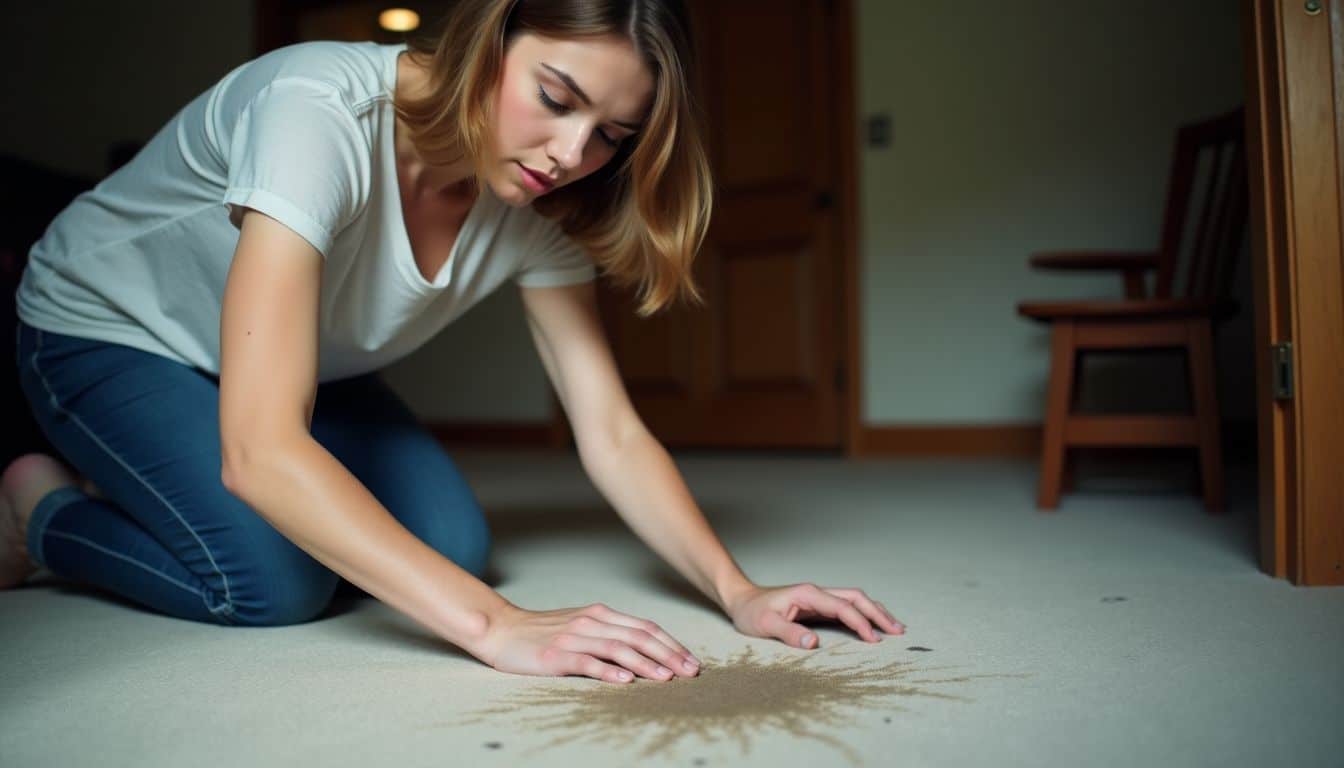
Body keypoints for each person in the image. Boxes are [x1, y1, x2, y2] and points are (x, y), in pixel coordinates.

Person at [0, 0, 905, 685]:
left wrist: (736, 589)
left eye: (609, 137)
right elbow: (261, 449)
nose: (568, 152)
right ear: (490, 33)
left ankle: (146, 478)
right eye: (555, 97)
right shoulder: (313, 108)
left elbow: (611, 428)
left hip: (308, 361)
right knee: (276, 583)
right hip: (105, 331)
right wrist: (493, 627)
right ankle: (41, 516)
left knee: (450, 545)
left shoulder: (542, 201)